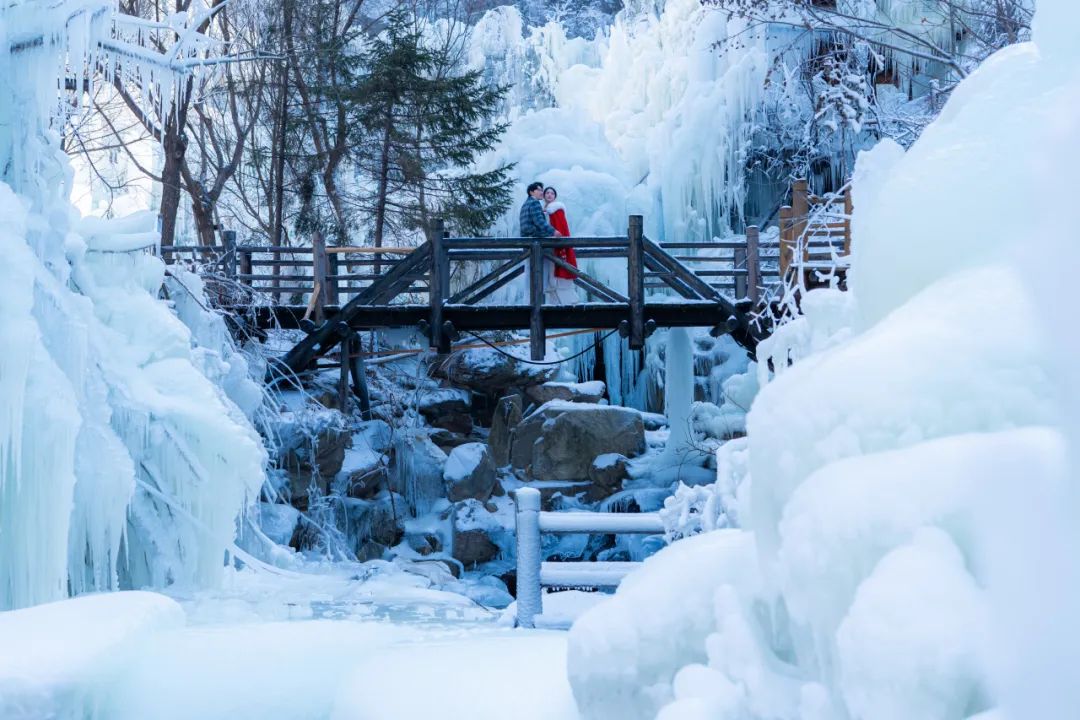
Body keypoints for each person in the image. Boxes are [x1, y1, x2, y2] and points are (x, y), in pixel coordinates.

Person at [543, 186, 578, 305]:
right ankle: (555, 303)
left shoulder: (556, 209)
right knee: (551, 276)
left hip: (556, 246)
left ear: (555, 196)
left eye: (552, 193)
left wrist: (561, 245)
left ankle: (567, 302)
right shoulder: (546, 210)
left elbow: (561, 228)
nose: (549, 195)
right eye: (547, 193)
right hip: (548, 248)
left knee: (559, 276)